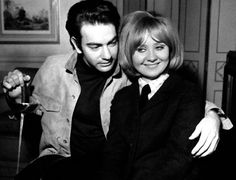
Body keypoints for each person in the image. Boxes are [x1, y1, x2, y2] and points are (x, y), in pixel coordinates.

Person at [1, 0, 232, 179]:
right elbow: (30, 110)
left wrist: (214, 116)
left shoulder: (131, 71)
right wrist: (15, 98)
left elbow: (176, 96)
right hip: (58, 161)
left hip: (105, 167)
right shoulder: (52, 68)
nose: (107, 54)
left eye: (112, 43)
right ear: (75, 44)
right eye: (95, 46)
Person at [100, 11, 227, 180]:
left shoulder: (187, 91)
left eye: (159, 47)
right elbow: (114, 155)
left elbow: (179, 157)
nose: (151, 57)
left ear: (170, 49)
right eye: (141, 49)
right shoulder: (122, 97)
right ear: (129, 54)